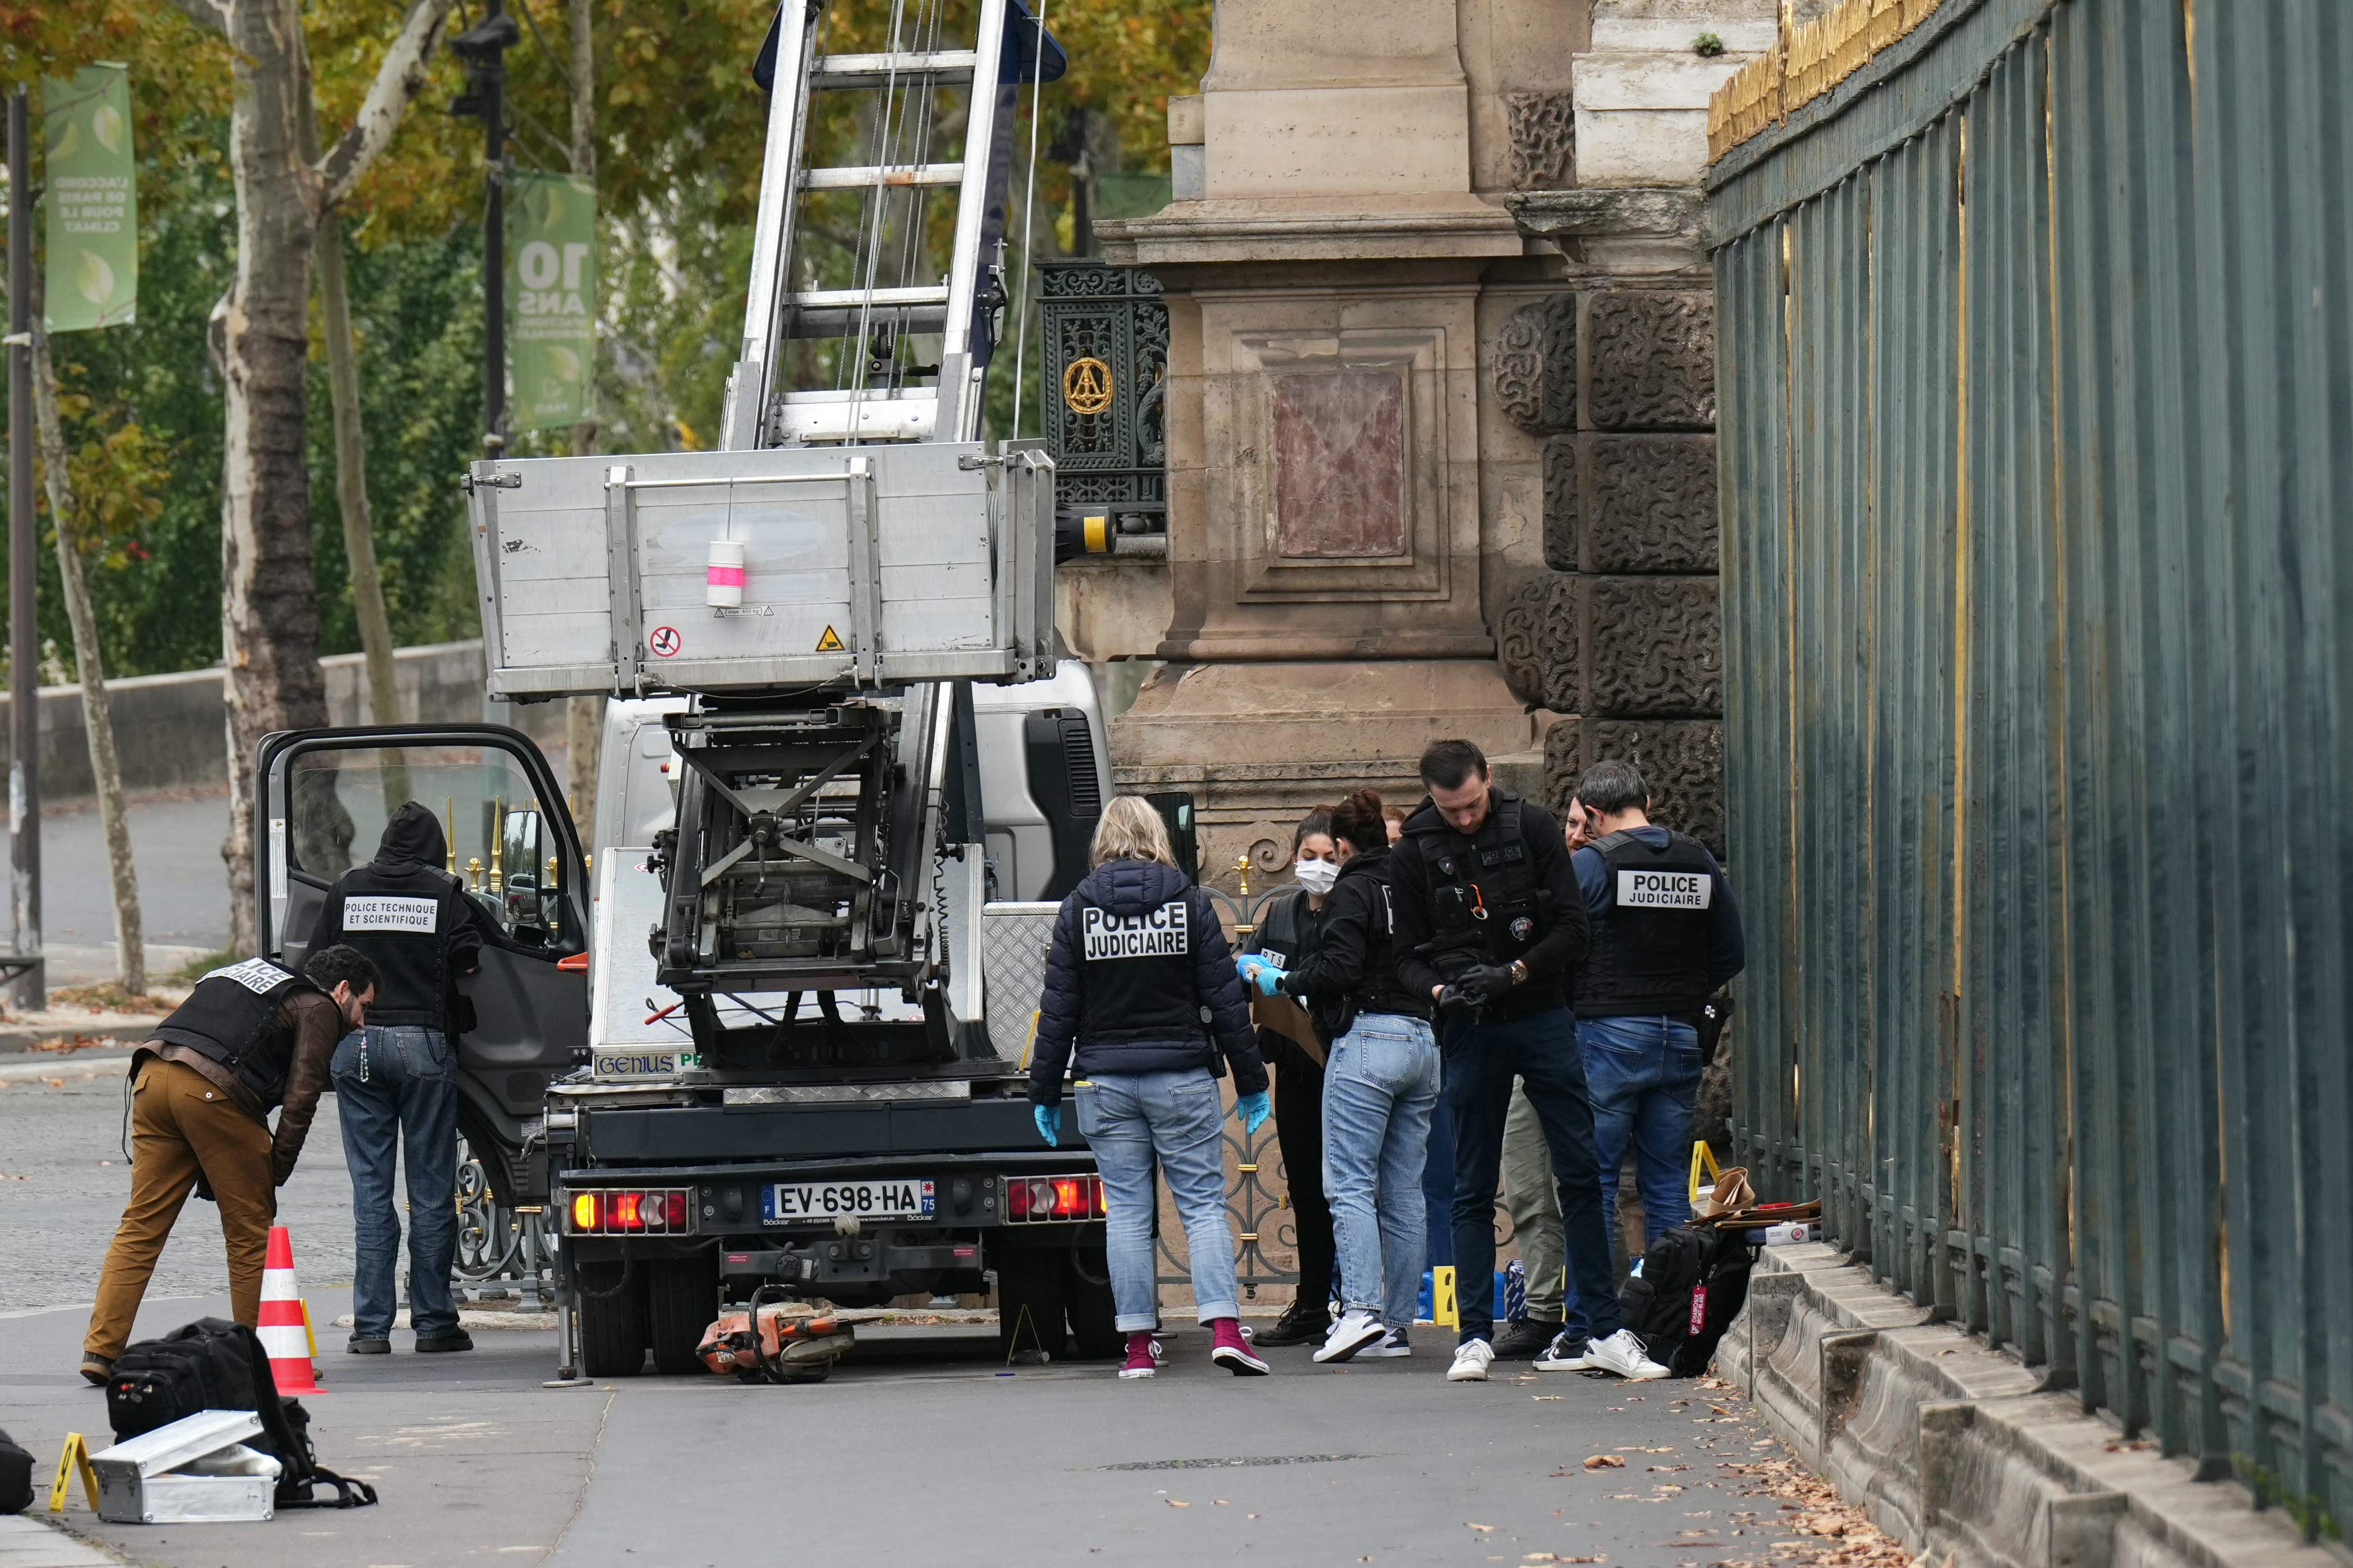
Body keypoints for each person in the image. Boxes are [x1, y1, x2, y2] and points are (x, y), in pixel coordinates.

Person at [1390, 739, 1667, 1384]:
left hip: (1541, 1016)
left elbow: (1573, 930)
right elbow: (1403, 955)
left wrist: (1513, 972)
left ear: (1488, 778)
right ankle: (1473, 1339)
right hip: (1471, 1026)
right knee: (1471, 1185)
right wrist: (1440, 992)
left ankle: (1601, 1328)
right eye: (1448, 809)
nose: (1463, 819)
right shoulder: (1413, 852)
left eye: (1470, 805)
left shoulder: (1534, 826)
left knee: (1578, 1174)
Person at [1028, 795, 1273, 1379]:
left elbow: (1058, 1010)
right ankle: (1223, 1330)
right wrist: (1251, 1080)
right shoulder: (1188, 905)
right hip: (1181, 1078)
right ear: (1157, 837)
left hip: (1105, 1083)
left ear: (1103, 841)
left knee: (1128, 1215)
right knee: (1203, 1207)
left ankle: (1137, 1349)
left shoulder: (1077, 911)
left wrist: (1042, 1091)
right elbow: (1223, 999)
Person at [312, 801, 553, 1355]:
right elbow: (477, 958)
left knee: (370, 1191)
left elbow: (321, 965)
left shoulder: (346, 890)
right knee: (430, 1190)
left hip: (357, 1045)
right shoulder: (444, 892)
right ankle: (434, 1323)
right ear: (432, 846)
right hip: (423, 1046)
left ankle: (371, 1330)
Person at [81, 947, 381, 1384]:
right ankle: (259, 1358)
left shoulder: (252, 975)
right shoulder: (319, 1006)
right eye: (364, 1006)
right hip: (211, 1090)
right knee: (250, 1233)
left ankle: (101, 1349)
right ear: (341, 990)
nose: (361, 1022)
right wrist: (273, 1170)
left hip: (151, 1073)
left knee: (141, 1224)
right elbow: (302, 1096)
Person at [1240, 789, 1435, 1364]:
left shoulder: (1354, 888)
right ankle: (1396, 1325)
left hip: (1367, 1040)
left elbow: (1340, 968)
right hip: (1421, 1036)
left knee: (1346, 1184)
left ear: (1347, 846)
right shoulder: (1410, 883)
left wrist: (1291, 981)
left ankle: (1358, 1313)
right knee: (1401, 1192)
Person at [1568, 759, 1745, 1246]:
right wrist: (1684, 992)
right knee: (1667, 1180)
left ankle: (1601, 1316)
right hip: (1683, 1037)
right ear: (1647, 803)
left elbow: (1557, 945)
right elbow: (1731, 953)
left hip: (1609, 1034)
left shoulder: (1591, 862)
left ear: (1592, 813)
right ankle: (1665, 1311)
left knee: (1597, 1181)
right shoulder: (1700, 859)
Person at [1491, 798, 1597, 1358]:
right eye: (1570, 824)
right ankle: (1541, 1310)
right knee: (1528, 1181)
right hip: (1534, 1037)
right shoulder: (1539, 876)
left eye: (1585, 824)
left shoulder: (1599, 878)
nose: (1574, 834)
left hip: (1591, 1040)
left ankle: (1604, 1309)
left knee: (1586, 1185)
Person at [1241, 810, 1340, 1349]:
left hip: (1344, 1070)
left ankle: (1359, 1301)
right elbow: (1252, 965)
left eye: (1329, 858)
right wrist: (1248, 969)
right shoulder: (1281, 914)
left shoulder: (1350, 911)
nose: (1317, 868)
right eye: (1309, 857)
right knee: (1304, 1188)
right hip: (1296, 1068)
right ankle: (1310, 1303)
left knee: (1347, 1188)